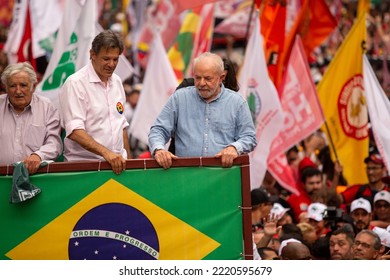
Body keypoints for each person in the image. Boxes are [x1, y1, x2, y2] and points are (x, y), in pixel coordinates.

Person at [148, 52, 256, 169]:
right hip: (185, 176)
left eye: (208, 78)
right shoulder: (179, 98)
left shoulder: (237, 103)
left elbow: (249, 137)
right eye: (197, 78)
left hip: (221, 177)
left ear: (221, 78)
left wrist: (235, 147)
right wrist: (159, 149)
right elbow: (158, 129)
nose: (201, 83)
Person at [60, 30, 130, 175]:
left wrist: (129, 161)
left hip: (118, 167)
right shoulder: (75, 83)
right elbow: (75, 131)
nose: (111, 64)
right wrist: (107, 154)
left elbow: (121, 125)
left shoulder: (117, 81)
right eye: (106, 59)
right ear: (92, 54)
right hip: (85, 170)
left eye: (115, 59)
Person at [0, 62, 62, 174]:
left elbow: (54, 143)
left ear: (33, 86)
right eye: (13, 86)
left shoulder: (46, 107)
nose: (18, 91)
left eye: (23, 85)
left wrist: (38, 155)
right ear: (6, 88)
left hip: (35, 177)